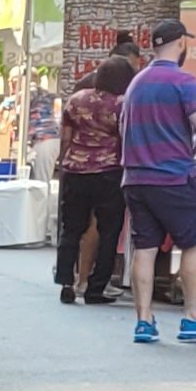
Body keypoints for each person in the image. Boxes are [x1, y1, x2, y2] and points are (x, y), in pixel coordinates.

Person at [120, 21, 196, 344]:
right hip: (175, 176)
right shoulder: (184, 81)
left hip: (136, 178)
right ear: (181, 43)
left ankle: (144, 321)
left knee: (145, 248)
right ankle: (193, 317)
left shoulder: (136, 82)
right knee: (193, 243)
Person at [53, 56, 137, 304]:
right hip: (108, 171)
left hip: (75, 170)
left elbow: (66, 136)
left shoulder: (77, 99)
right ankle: (96, 287)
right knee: (109, 231)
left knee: (71, 228)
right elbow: (126, 138)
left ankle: (66, 282)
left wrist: (63, 161)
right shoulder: (122, 104)